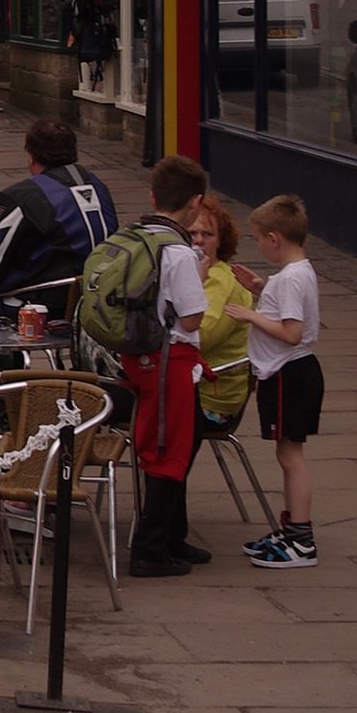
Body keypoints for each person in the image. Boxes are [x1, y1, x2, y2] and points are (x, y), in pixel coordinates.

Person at [211, 193, 322, 568]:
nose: (258, 245)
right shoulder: (298, 272)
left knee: (291, 457)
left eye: (258, 238)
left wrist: (249, 315)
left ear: (274, 238)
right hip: (293, 372)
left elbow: (291, 332)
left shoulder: (290, 279)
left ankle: (301, 540)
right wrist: (261, 289)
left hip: (288, 372)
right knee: (286, 454)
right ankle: (291, 531)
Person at [118, 166, 209, 577]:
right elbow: (191, 319)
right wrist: (200, 278)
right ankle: (149, 551)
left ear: (153, 198)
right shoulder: (178, 252)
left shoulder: (137, 238)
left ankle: (174, 538)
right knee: (167, 453)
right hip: (170, 361)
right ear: (196, 203)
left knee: (180, 446)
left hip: (138, 357)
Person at [0, 118, 116, 315]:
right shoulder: (98, 187)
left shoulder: (25, 197)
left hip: (43, 306)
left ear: (31, 156)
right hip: (97, 299)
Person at [177, 181, 258, 447]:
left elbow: (200, 337)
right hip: (193, 387)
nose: (199, 241)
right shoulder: (187, 274)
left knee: (131, 405)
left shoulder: (221, 282)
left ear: (220, 240)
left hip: (213, 400)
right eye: (192, 234)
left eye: (207, 234)